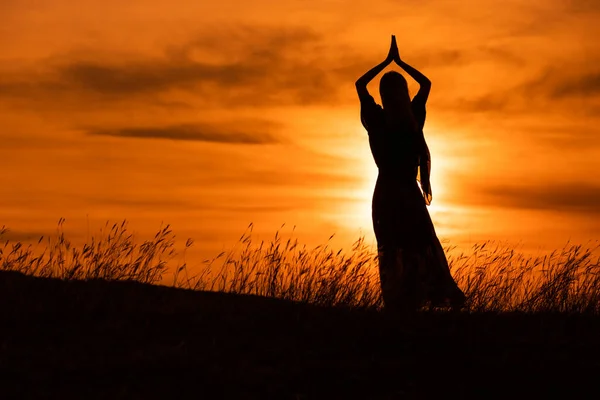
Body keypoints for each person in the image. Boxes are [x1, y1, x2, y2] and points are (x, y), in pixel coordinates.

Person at [355, 35, 465, 313]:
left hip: (387, 193)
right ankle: (418, 298)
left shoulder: (378, 120)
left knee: (394, 247)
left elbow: (359, 84)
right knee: (418, 244)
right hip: (406, 192)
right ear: (404, 92)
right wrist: (400, 63)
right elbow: (426, 84)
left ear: (383, 95)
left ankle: (401, 302)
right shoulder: (412, 117)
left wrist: (386, 62)